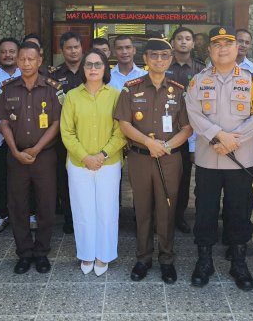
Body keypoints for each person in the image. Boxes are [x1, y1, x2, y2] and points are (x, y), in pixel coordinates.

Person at [185, 26, 253, 291]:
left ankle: (239, 263)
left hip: (240, 159)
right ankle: (204, 261)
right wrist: (219, 136)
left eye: (228, 44)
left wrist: (234, 140)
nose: (222, 48)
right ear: (209, 50)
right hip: (209, 159)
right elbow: (193, 113)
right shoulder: (198, 80)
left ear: (237, 49)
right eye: (217, 44)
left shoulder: (252, 80)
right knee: (205, 210)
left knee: (239, 210)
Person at [115, 38, 192, 283]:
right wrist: (149, 143)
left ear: (170, 59)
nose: (159, 60)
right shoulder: (131, 87)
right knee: (143, 209)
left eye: (164, 56)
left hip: (169, 159)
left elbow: (188, 128)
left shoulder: (180, 90)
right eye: (154, 56)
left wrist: (166, 146)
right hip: (140, 159)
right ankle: (143, 258)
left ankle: (167, 259)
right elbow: (124, 123)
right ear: (145, 59)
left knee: (167, 210)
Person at [0, 41, 62, 274]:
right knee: (18, 205)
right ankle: (24, 252)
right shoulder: (8, 88)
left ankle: (41, 251)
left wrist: (37, 149)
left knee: (45, 204)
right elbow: (2, 121)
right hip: (16, 155)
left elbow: (56, 123)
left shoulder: (52, 88)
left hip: (44, 156)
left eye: (31, 59)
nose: (26, 63)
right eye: (22, 59)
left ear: (40, 61)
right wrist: (14, 151)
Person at [60, 49, 127, 276]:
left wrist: (102, 155)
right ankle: (87, 253)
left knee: (107, 211)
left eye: (98, 64)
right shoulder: (72, 96)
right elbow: (67, 132)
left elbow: (121, 132)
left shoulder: (116, 95)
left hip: (108, 164)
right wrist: (85, 157)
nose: (93, 68)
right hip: (80, 164)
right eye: (89, 64)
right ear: (83, 68)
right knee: (83, 210)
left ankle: (104, 255)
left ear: (105, 68)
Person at [166, 26, 206, 233]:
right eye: (179, 38)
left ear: (193, 43)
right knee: (163, 175)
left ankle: (179, 215)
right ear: (173, 43)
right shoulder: (164, 65)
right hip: (165, 131)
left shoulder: (200, 69)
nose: (183, 42)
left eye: (187, 38)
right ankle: (163, 215)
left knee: (183, 176)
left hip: (190, 132)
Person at [49, 31, 85, 234]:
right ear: (62, 50)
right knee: (65, 178)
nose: (73, 51)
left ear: (82, 49)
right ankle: (70, 219)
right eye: (69, 47)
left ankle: (86, 216)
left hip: (88, 135)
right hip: (63, 137)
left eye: (76, 47)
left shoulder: (90, 71)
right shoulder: (54, 75)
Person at [0, 38, 22, 235]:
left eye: (12, 51)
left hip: (24, 137)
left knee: (27, 178)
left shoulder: (27, 74)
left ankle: (29, 213)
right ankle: (1, 215)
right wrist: (4, 130)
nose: (8, 55)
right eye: (4, 52)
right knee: (1, 178)